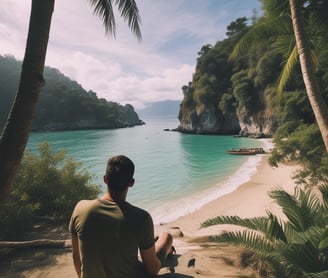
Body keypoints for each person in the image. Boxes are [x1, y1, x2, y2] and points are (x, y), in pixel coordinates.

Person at [69, 155, 174, 278]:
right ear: (131, 183)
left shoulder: (80, 208)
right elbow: (152, 270)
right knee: (167, 237)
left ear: (105, 179)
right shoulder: (141, 218)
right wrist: (163, 251)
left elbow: (76, 257)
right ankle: (163, 246)